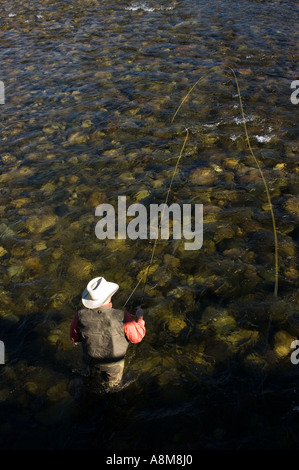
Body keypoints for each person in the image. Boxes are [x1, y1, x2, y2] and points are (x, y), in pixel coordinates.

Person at [70, 276, 145, 387]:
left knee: (89, 377)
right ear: (109, 296)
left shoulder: (79, 315)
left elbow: (74, 338)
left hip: (89, 359)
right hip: (112, 365)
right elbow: (137, 337)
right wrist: (140, 318)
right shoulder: (123, 316)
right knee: (112, 387)